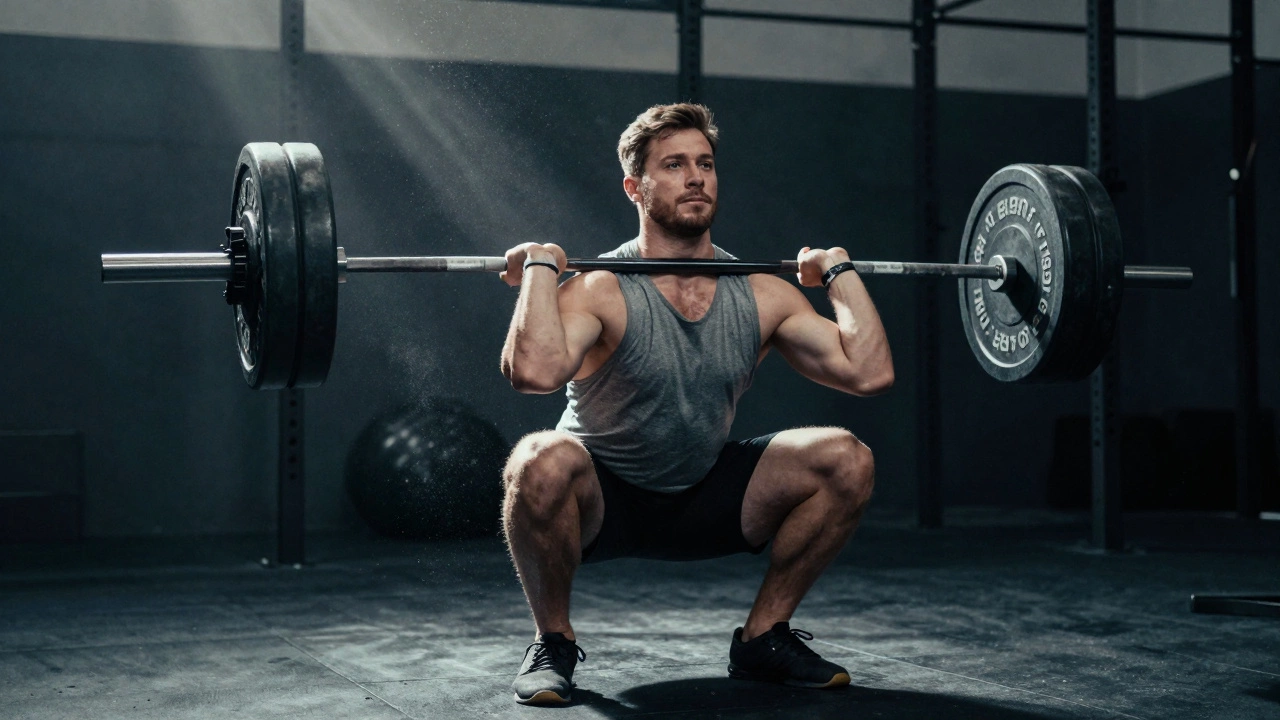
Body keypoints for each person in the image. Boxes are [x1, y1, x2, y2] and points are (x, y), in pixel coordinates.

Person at [498, 103, 893, 706]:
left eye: (705, 164)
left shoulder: (763, 293)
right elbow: (532, 373)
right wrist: (539, 274)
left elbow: (869, 373)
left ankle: (763, 639)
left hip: (706, 493)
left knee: (847, 457)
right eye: (675, 164)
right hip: (603, 500)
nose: (696, 177)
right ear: (636, 186)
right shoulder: (602, 287)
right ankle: (552, 641)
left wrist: (839, 272)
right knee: (537, 458)